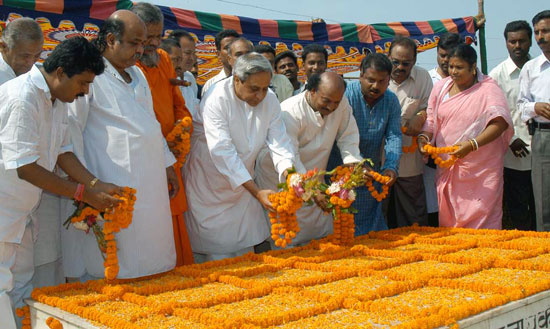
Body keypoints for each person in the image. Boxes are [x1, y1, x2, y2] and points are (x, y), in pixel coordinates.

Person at [0, 36, 119, 329]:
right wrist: (83, 193)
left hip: (22, 212)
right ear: (61, 72)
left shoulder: (57, 98)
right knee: (2, 285)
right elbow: (25, 167)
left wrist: (95, 184)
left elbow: (63, 152)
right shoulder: (22, 97)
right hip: (4, 209)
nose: (84, 91)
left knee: (21, 281)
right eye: (82, 83)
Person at [63, 10, 180, 279]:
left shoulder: (137, 74)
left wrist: (167, 165)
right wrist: (87, 185)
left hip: (151, 186)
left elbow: (150, 124)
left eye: (144, 43)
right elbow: (71, 134)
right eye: (135, 43)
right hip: (110, 183)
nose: (141, 49)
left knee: (155, 259)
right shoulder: (88, 75)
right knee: (117, 263)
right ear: (112, 39)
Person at [184, 53, 295, 262]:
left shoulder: (269, 98)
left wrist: (290, 175)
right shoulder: (216, 97)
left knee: (246, 250)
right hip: (211, 181)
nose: (261, 95)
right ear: (237, 79)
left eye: (265, 88)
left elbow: (279, 141)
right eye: (254, 89)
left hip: (245, 182)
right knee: (216, 254)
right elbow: (222, 150)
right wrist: (256, 191)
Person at [255, 72, 362, 246]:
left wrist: (352, 164)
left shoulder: (340, 104)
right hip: (281, 175)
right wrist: (310, 189)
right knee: (286, 232)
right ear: (312, 91)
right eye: (326, 101)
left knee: (320, 232)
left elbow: (348, 136)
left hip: (314, 175)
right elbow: (290, 156)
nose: (332, 107)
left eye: (336, 102)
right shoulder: (289, 111)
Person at [418, 44, 513, 229]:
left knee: (484, 215)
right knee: (450, 217)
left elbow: (500, 123)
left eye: (459, 67)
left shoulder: (488, 88)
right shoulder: (441, 88)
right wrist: (424, 138)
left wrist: (472, 145)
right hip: (448, 164)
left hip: (482, 168)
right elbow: (430, 119)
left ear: (473, 67)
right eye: (451, 67)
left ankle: (485, 254)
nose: (453, 72)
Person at [132, 2, 193, 267]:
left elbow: (177, 103)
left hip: (171, 157)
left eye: (159, 36)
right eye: (149, 37)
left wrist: (183, 125)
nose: (154, 43)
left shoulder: (164, 59)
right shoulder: (127, 64)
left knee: (173, 220)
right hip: (143, 158)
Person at [328, 53, 401, 235]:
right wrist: (353, 167)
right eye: (370, 80)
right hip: (339, 174)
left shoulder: (391, 101)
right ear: (360, 75)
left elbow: (394, 136)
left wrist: (391, 167)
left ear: (389, 80)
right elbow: (335, 136)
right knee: (339, 227)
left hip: (371, 176)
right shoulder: (345, 97)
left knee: (370, 231)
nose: (375, 86)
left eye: (381, 81)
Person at [489, 20, 535, 231]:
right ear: (506, 43)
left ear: (530, 41)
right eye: (512, 41)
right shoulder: (496, 76)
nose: (517, 46)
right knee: (518, 205)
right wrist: (510, 138)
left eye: (522, 41)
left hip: (542, 148)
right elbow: (491, 115)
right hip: (512, 152)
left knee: (541, 205)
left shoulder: (541, 70)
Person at [386, 36, 433, 228]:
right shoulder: (379, 75)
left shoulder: (422, 78)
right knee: (380, 214)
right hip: (381, 160)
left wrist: (421, 115)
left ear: (414, 61)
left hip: (409, 162)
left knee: (413, 216)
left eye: (406, 63)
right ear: (388, 57)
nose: (400, 67)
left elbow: (432, 109)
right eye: (395, 62)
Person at [426, 33, 462, 226]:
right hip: (433, 156)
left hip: (462, 155)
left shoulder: (472, 81)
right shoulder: (428, 79)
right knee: (434, 202)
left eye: (450, 55)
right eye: (442, 55)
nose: (446, 61)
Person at [519, 10, 550, 232]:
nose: (541, 37)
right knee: (544, 201)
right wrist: (535, 107)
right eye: (537, 32)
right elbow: (520, 107)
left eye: (546, 31)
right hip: (543, 137)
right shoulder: (531, 68)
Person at [0, 18, 43, 84]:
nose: (30, 63)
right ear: (3, 47)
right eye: (25, 56)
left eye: (37, 56)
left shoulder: (40, 71)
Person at [168, 30, 200, 119]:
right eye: (187, 53)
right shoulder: (163, 78)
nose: (192, 58)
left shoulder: (190, 78)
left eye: (193, 53)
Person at [201, 29, 239, 96]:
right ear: (218, 54)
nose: (232, 51)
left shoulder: (253, 81)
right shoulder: (211, 85)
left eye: (235, 47)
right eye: (227, 48)